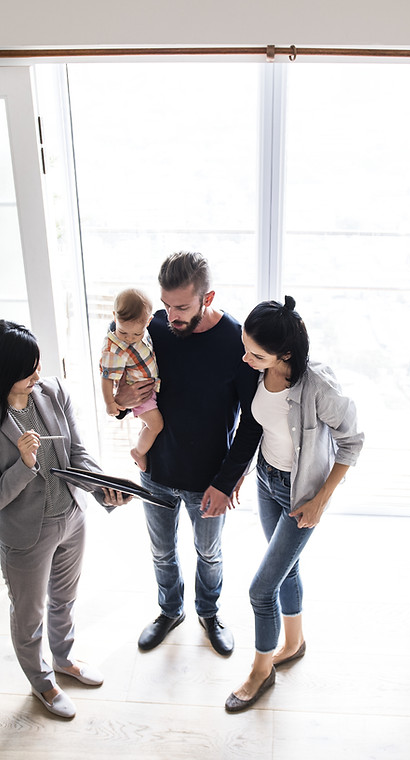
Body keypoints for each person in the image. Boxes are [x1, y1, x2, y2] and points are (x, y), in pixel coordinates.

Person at [114, 252, 262, 657]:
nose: (170, 315)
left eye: (181, 307)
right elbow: (125, 383)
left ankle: (209, 612)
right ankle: (170, 610)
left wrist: (227, 479)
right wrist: (122, 400)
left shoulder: (236, 341)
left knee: (209, 553)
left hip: (209, 478)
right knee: (161, 550)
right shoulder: (153, 328)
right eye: (165, 304)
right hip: (157, 470)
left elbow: (252, 421)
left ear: (207, 297)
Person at [224, 296, 364, 713]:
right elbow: (260, 429)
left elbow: (352, 441)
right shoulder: (259, 372)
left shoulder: (318, 386)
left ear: (285, 353)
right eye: (245, 347)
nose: (246, 359)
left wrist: (322, 499)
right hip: (267, 480)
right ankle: (294, 642)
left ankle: (260, 672)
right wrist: (240, 474)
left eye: (257, 353)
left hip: (300, 493)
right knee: (287, 570)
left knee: (260, 589)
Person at [0, 320, 130, 719]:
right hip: (25, 535)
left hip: (72, 517)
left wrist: (102, 486)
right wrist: (25, 463)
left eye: (39, 364)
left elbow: (77, 453)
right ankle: (41, 682)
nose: (39, 374)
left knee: (65, 599)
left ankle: (64, 658)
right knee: (29, 614)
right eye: (29, 369)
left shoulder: (52, 391)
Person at [100, 288, 164, 471]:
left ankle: (141, 445)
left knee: (148, 424)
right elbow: (106, 377)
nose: (129, 339)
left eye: (136, 334)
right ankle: (138, 452)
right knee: (156, 425)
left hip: (148, 389)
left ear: (148, 321)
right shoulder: (115, 348)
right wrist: (110, 403)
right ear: (114, 317)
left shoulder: (145, 328)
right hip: (139, 394)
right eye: (123, 332)